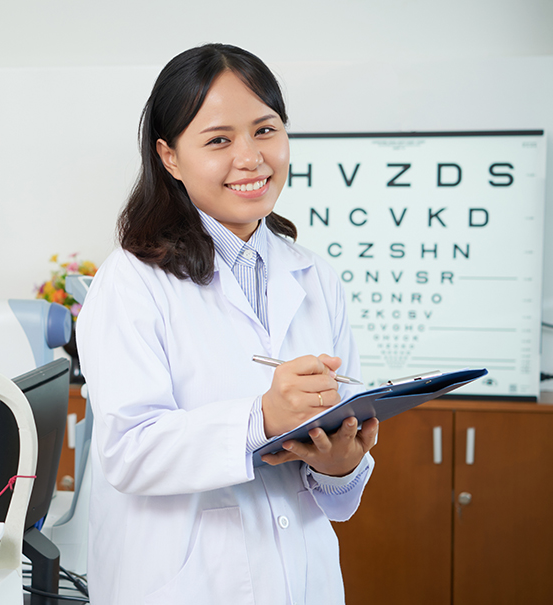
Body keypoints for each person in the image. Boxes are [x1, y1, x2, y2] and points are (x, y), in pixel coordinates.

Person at [75, 43, 380, 605]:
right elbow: (128, 451)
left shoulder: (314, 275)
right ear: (170, 157)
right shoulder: (131, 281)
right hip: (183, 585)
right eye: (219, 140)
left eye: (265, 130)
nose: (251, 157)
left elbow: (337, 503)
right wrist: (262, 418)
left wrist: (340, 466)